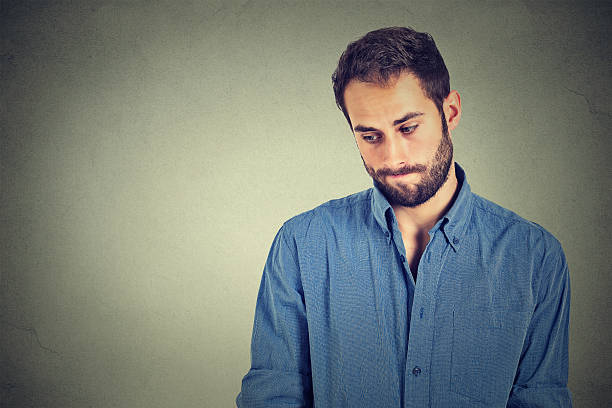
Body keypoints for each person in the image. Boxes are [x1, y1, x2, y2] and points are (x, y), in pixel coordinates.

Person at [236, 27, 572, 407]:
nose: (393, 157)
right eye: (371, 136)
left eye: (408, 127)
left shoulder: (535, 258)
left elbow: (539, 397)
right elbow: (272, 395)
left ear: (451, 112)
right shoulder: (301, 244)